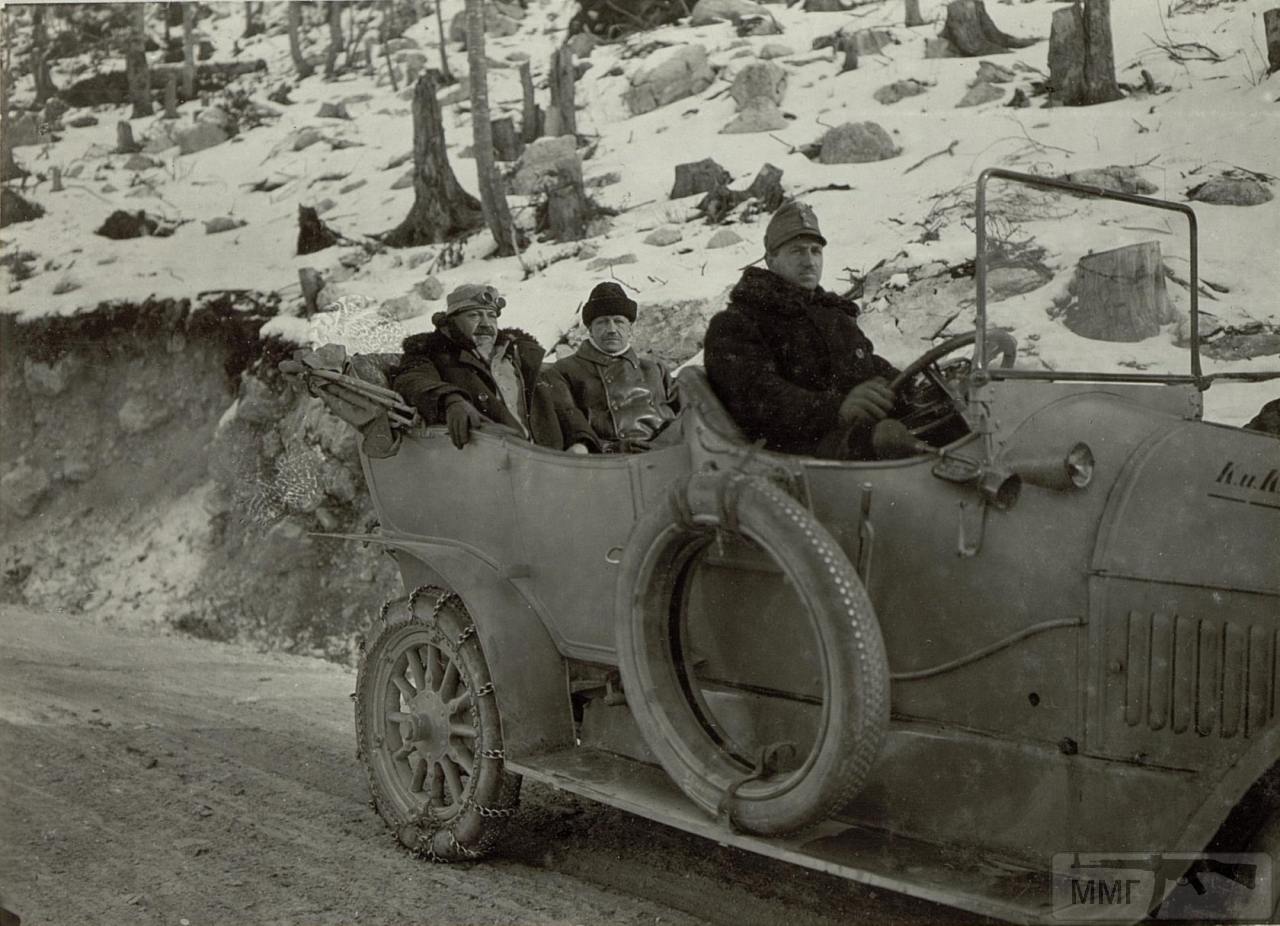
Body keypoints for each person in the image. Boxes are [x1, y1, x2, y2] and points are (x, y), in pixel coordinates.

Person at [702, 200, 900, 459]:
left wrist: (911, 386)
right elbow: (756, 397)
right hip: (790, 460)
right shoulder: (736, 323)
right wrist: (836, 409)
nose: (809, 262)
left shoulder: (833, 316)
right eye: (797, 251)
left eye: (815, 251)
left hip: (850, 445)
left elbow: (871, 369)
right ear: (771, 260)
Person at [392, 283, 593, 452]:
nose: (486, 324)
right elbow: (411, 381)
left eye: (492, 316)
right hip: (490, 466)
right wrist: (450, 400)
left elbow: (563, 404)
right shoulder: (433, 353)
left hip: (547, 462)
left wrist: (581, 442)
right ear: (452, 321)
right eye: (474, 316)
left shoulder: (521, 357)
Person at [542, 282, 680, 453]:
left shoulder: (655, 369)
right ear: (590, 329)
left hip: (663, 454)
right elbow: (571, 421)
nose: (612, 329)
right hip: (608, 460)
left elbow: (689, 411)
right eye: (602, 322)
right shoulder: (564, 370)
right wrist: (607, 447)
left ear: (630, 328)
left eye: (619, 321)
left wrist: (665, 442)